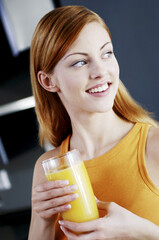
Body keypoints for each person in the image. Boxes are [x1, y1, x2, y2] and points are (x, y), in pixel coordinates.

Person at [28, 5, 159, 240]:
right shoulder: (48, 167)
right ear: (48, 81)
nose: (101, 71)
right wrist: (42, 221)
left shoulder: (154, 145)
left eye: (106, 53)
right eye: (80, 62)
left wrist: (142, 231)